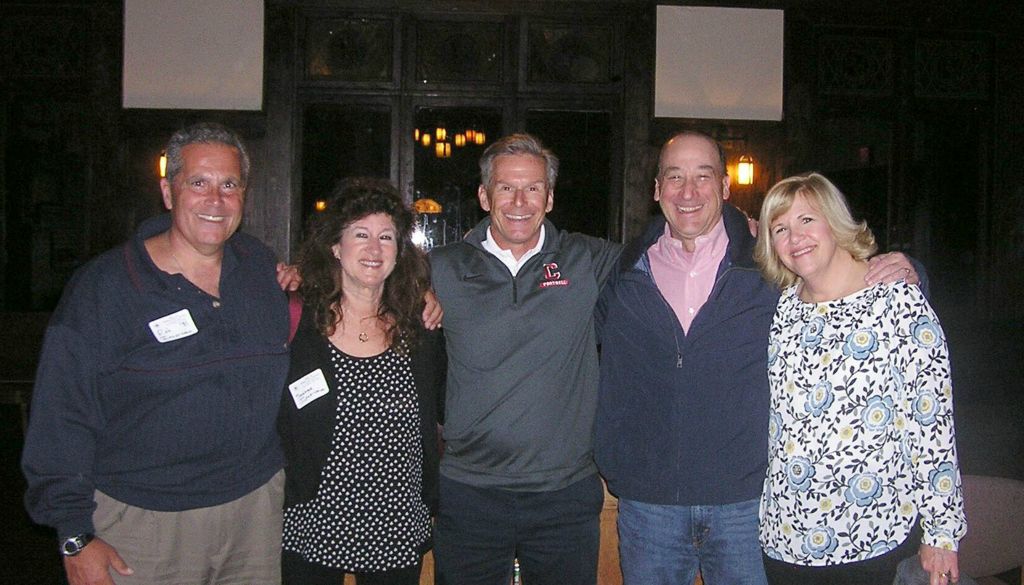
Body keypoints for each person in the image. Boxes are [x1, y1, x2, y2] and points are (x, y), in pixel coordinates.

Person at [593, 131, 920, 585]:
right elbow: (588, 346)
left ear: (725, 188)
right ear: (656, 189)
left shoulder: (769, 262)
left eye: (703, 177)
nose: (688, 192)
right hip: (650, 508)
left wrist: (906, 269)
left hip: (747, 505)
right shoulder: (628, 270)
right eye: (675, 177)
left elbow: (839, 280)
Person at [22, 122, 289, 585]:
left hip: (253, 514)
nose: (215, 200)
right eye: (199, 183)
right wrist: (74, 534)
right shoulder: (106, 288)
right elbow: (60, 414)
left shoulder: (261, 269)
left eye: (229, 185)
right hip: (146, 523)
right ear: (168, 192)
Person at [754, 172, 966, 585]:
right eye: (780, 228)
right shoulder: (784, 310)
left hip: (874, 534)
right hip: (786, 539)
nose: (794, 237)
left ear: (835, 221)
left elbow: (932, 423)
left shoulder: (898, 301)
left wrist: (942, 532)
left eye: (807, 220)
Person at [429, 133, 622, 585]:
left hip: (564, 494)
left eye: (533, 188)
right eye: (505, 187)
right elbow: (366, 272)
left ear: (550, 198)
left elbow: (670, 251)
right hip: (469, 490)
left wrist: (736, 227)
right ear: (483, 195)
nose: (519, 201)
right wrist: (304, 272)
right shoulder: (441, 267)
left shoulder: (586, 259)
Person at [278, 177, 446, 585]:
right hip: (312, 524)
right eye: (361, 234)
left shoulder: (420, 326)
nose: (374, 249)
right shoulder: (297, 321)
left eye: (386, 237)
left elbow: (441, 410)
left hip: (396, 526)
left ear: (399, 251)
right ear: (336, 246)